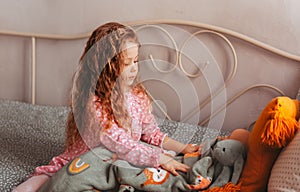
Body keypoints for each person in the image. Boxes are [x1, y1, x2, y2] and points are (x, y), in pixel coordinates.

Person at [13, 22, 200, 192]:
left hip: (117, 161)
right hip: (84, 161)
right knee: (41, 184)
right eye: (127, 63)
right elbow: (117, 141)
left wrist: (184, 148)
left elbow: (151, 134)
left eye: (136, 61)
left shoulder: (138, 96)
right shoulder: (94, 103)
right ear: (106, 67)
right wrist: (158, 158)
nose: (134, 68)